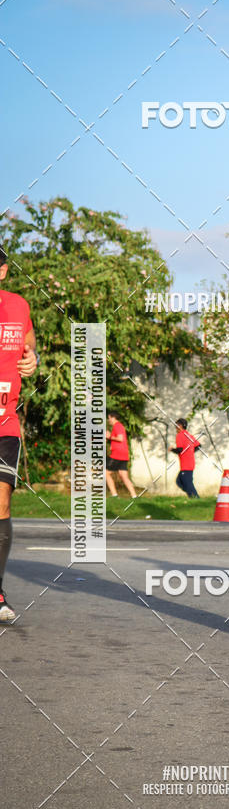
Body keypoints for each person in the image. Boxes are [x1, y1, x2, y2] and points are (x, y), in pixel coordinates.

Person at [0, 246, 38, 622]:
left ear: (3, 271)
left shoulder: (18, 305)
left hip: (4, 423)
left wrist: (32, 359)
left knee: (2, 504)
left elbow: (29, 346)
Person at [105, 411, 136, 498]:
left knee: (106, 473)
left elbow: (120, 438)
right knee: (123, 475)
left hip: (117, 454)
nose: (108, 420)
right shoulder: (119, 426)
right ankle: (134, 496)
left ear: (113, 417)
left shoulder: (117, 426)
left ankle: (114, 495)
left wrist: (109, 436)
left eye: (109, 418)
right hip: (124, 454)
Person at [170, 418, 201, 498]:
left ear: (180, 426)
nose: (175, 427)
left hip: (185, 464)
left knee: (186, 483)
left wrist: (172, 449)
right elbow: (198, 445)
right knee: (179, 481)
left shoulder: (179, 435)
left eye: (176, 425)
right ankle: (192, 496)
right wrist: (190, 452)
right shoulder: (188, 435)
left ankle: (196, 498)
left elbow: (179, 450)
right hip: (190, 463)